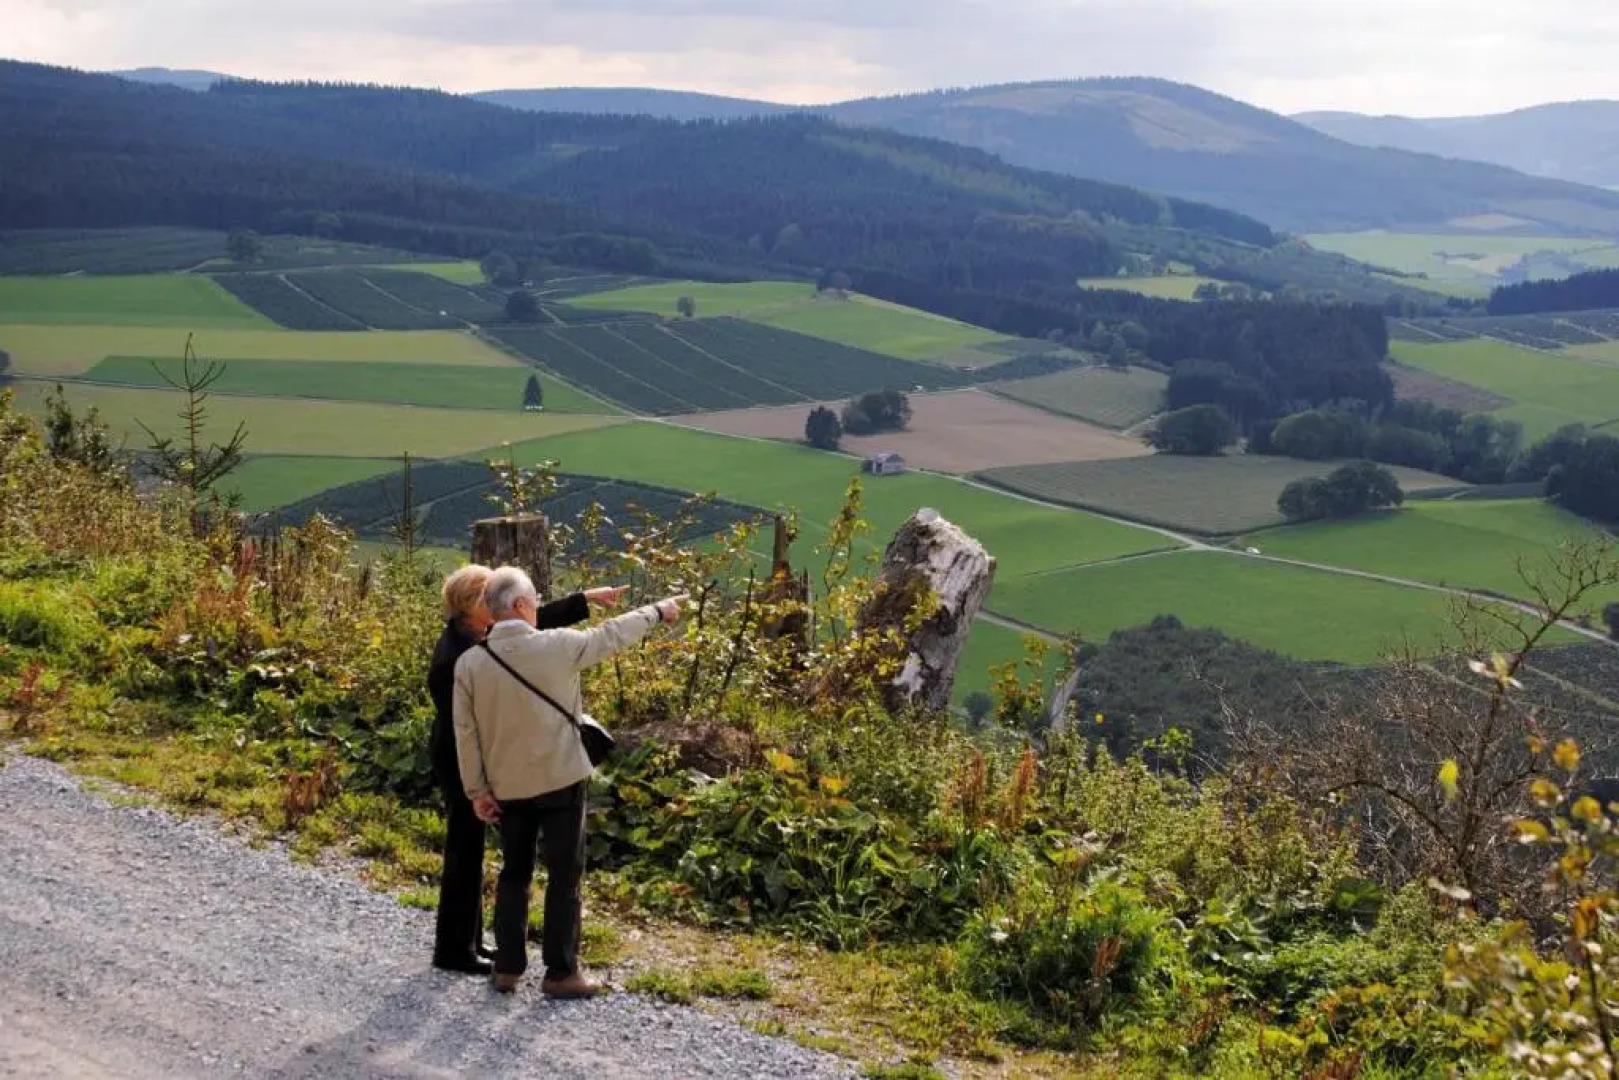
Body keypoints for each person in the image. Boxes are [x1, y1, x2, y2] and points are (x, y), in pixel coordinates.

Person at [453, 566, 684, 997]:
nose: (538, 605)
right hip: (561, 778)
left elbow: (466, 735)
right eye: (535, 598)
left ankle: (507, 967)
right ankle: (561, 972)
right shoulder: (559, 647)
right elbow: (613, 634)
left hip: (505, 785)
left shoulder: (469, 664)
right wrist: (658, 611)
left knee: (514, 873)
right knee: (565, 874)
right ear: (521, 605)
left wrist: (477, 792)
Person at [426, 564, 626, 976]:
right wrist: (478, 783)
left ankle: (474, 942)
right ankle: (453, 949)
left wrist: (585, 600)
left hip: (479, 760)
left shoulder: (474, 638)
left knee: (478, 853)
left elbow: (526, 629)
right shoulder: (457, 659)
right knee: (464, 853)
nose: (494, 604)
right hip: (465, 763)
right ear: (472, 607)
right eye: (486, 597)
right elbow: (469, 723)